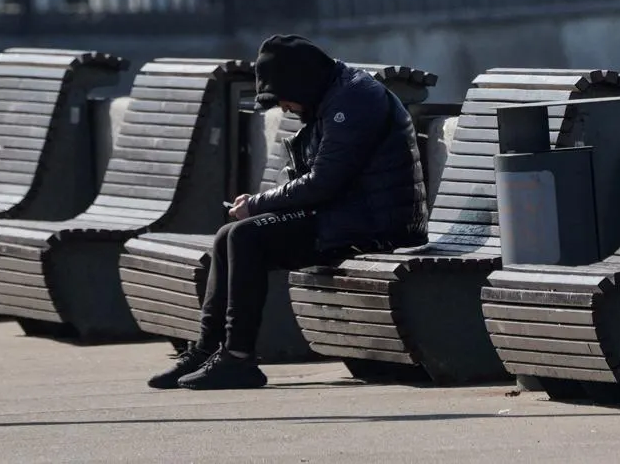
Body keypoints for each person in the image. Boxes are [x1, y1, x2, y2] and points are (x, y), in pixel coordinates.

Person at [150, 33, 427, 393]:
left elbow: (325, 181)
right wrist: (259, 204)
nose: (283, 106)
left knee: (246, 236)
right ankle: (207, 350)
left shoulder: (354, 101)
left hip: (376, 223)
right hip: (345, 215)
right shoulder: (331, 94)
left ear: (301, 81)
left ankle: (238, 358)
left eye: (282, 97)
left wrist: (257, 204)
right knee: (227, 236)